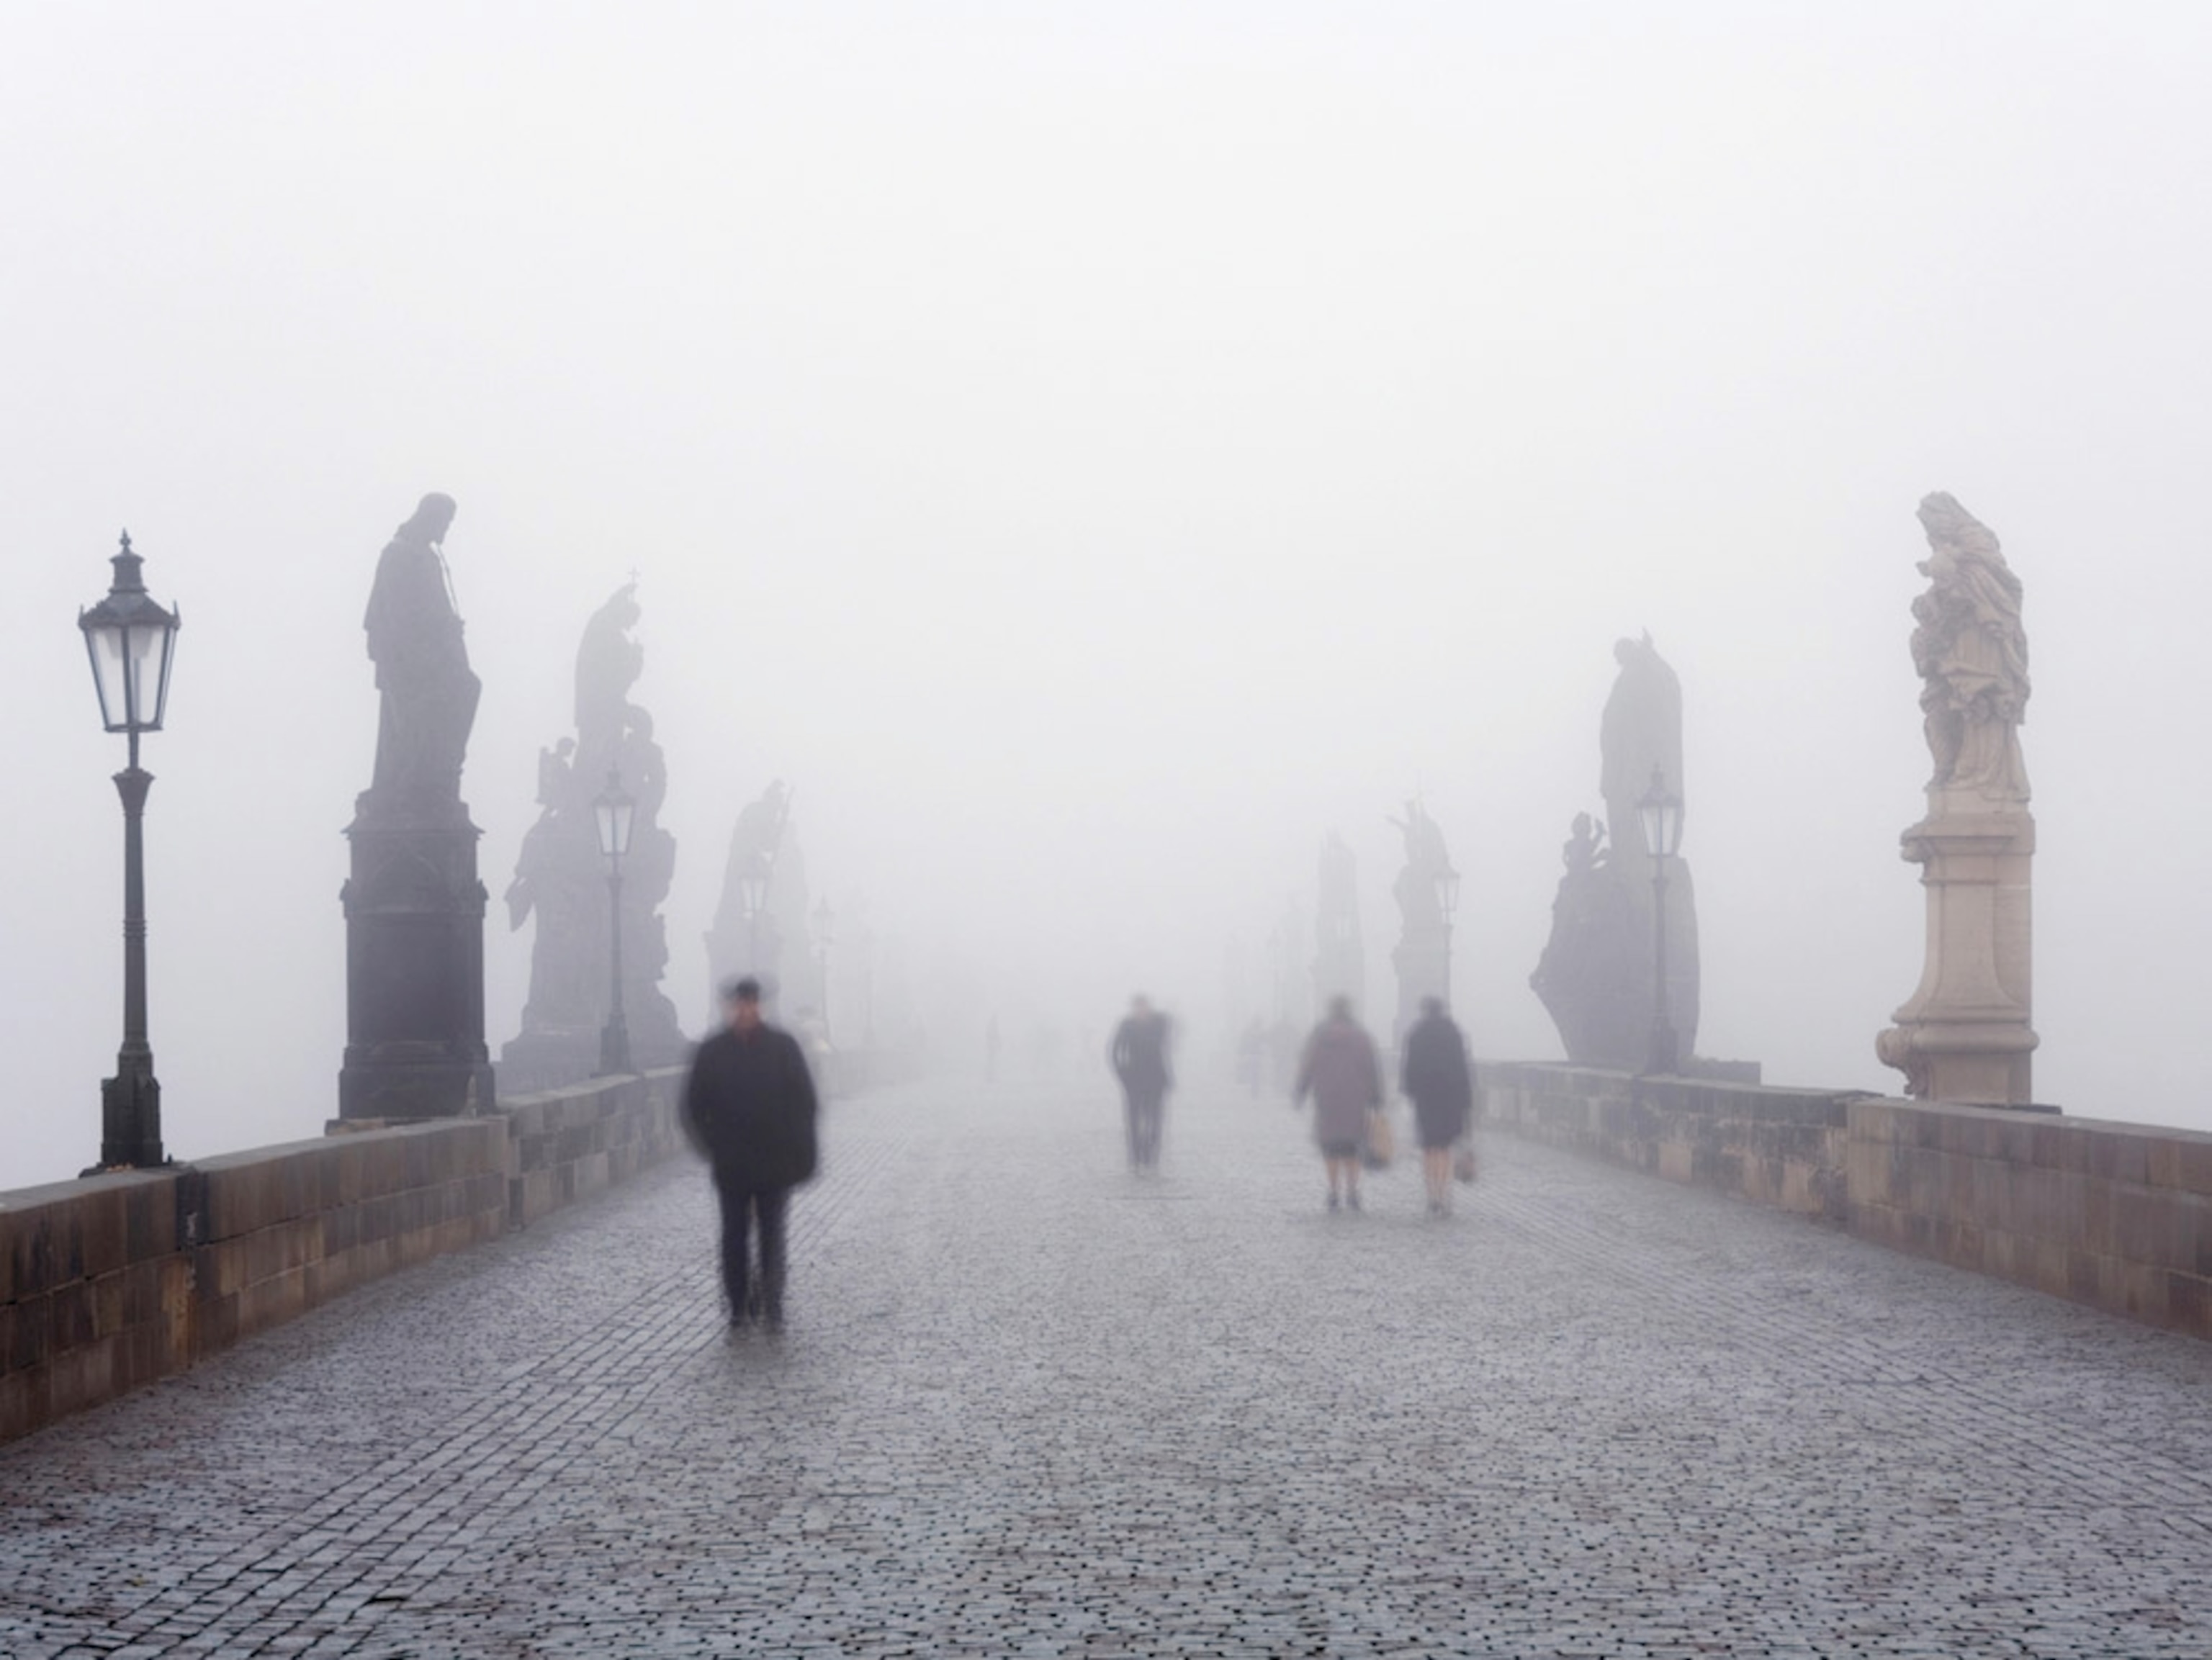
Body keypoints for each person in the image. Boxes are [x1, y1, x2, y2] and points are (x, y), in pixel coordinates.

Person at [682, 977, 819, 1332]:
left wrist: (799, 1150)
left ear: (759, 1006)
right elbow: (694, 1106)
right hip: (732, 1161)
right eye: (740, 1004)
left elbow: (804, 1103)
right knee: (734, 1236)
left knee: (773, 1234)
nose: (745, 1010)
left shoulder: (783, 1047)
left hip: (775, 1160)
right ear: (731, 1007)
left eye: (751, 1004)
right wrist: (712, 1146)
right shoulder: (713, 1051)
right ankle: (738, 1304)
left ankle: (772, 1301)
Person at [1293, 996, 1382, 1212]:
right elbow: (1371, 1069)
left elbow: (1308, 1065)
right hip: (1355, 1099)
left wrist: (1301, 1090)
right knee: (1352, 1148)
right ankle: (1352, 1192)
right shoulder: (1361, 1037)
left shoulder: (1319, 1037)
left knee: (1331, 1148)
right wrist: (1376, 1097)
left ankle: (1333, 1192)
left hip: (1327, 1099)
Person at [1401, 996, 1474, 1217]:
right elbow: (1463, 1069)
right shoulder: (1453, 1033)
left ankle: (1432, 1194)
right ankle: (1444, 1193)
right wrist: (1466, 1101)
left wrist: (1411, 1092)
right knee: (1445, 1148)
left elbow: (1409, 1069)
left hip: (1426, 1098)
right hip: (1451, 1099)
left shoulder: (1416, 1033)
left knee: (1429, 1148)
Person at [1108, 996, 1173, 1170]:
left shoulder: (1159, 1024)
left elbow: (1166, 1038)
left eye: (1144, 1007)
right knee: (1134, 1120)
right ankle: (1136, 1155)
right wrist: (1122, 1073)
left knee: (1154, 1119)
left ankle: (1151, 1154)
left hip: (1156, 1079)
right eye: (1138, 1008)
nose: (1141, 1011)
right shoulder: (1127, 1026)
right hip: (1134, 1080)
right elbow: (1115, 1050)